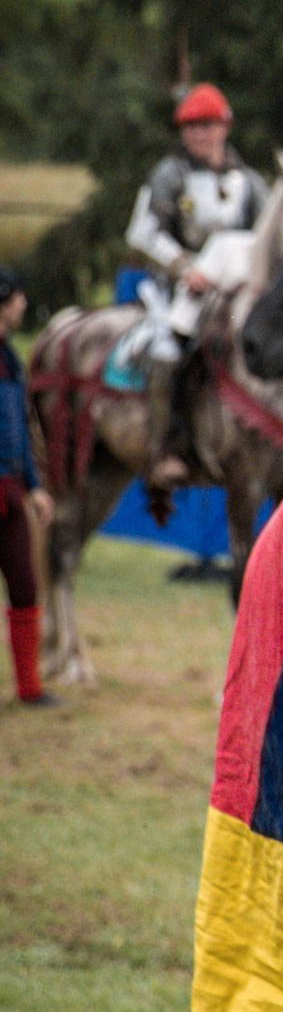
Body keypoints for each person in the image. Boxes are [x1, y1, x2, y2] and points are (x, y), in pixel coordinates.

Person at [125, 83, 268, 489]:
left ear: (225, 127)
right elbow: (143, 232)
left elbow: (265, 233)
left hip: (235, 291)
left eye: (206, 126)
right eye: (190, 128)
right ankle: (168, 446)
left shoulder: (250, 181)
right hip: (180, 290)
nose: (199, 135)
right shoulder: (171, 175)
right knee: (168, 352)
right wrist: (184, 267)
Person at [0, 269, 56, 706]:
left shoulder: (11, 358)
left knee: (24, 585)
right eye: (18, 298)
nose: (23, 305)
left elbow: (19, 428)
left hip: (12, 487)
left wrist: (35, 486)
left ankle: (29, 687)